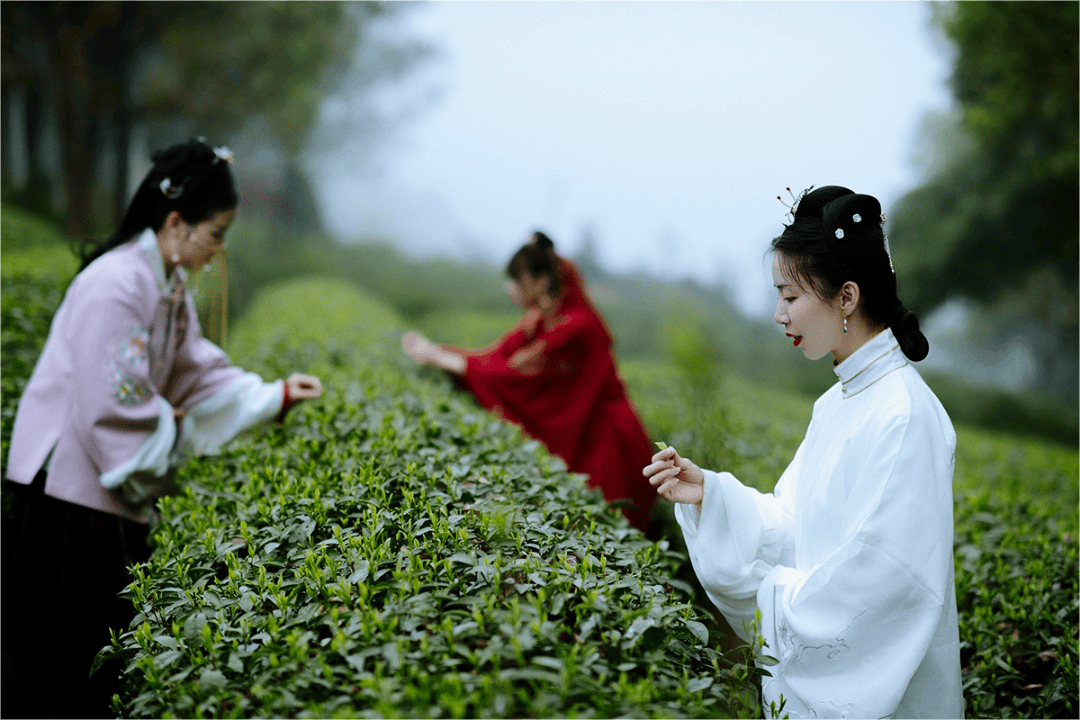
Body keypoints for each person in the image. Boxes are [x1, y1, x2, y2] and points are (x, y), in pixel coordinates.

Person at [1, 138, 323, 719]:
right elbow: (113, 403)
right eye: (216, 234)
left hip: (95, 497)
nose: (218, 251)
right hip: (66, 499)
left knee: (93, 659)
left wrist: (272, 397)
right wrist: (169, 427)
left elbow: (195, 370)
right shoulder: (116, 283)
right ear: (177, 223)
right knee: (61, 665)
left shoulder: (167, 286)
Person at [643, 186, 963, 719]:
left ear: (846, 297)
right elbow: (797, 526)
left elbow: (886, 582)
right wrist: (713, 495)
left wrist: (773, 599)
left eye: (790, 297)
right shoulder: (837, 402)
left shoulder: (904, 414)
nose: (778, 314)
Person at [402, 231, 657, 534]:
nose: (510, 288)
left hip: (606, 436)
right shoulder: (540, 319)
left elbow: (519, 380)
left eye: (517, 280)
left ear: (541, 282)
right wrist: (441, 352)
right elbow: (495, 357)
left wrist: (447, 361)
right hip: (587, 425)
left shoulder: (576, 325)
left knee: (610, 525)